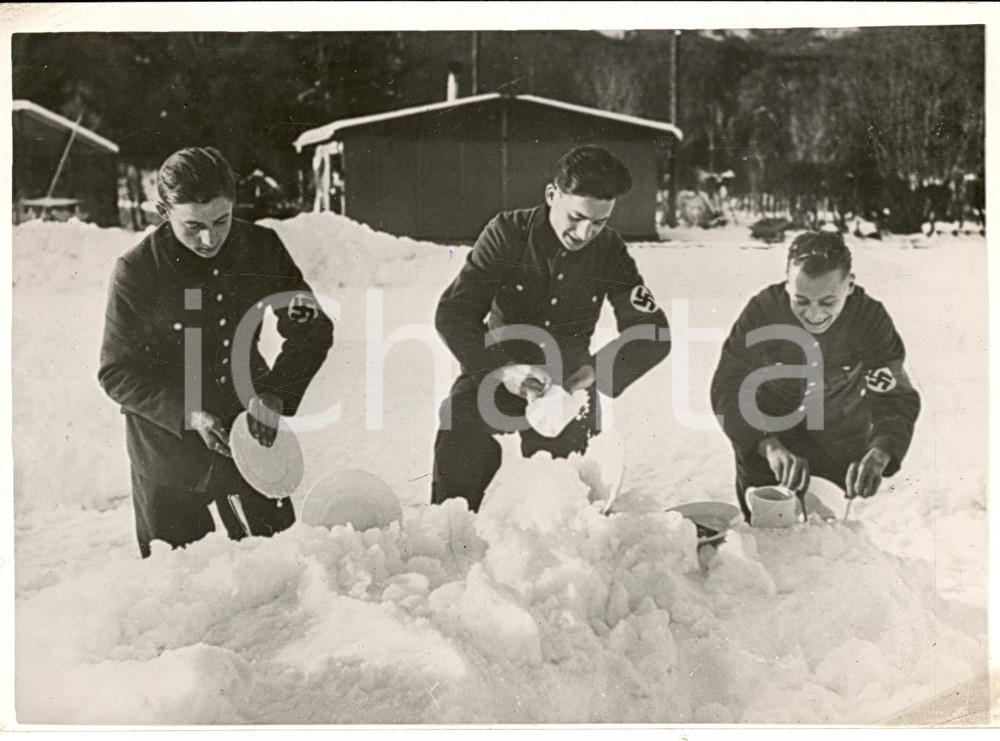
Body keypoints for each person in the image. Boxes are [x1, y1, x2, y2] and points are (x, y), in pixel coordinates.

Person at [99, 147, 334, 558]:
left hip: (248, 429)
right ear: (162, 210)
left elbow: (312, 329)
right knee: (180, 587)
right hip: (166, 449)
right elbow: (117, 371)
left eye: (221, 221)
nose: (209, 239)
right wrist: (190, 413)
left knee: (280, 566)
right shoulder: (136, 271)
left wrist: (277, 392)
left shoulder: (261, 249)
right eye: (192, 226)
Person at [432, 145, 672, 512]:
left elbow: (653, 331)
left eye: (599, 222)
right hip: (498, 367)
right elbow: (453, 313)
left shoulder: (608, 249)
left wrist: (595, 371)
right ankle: (454, 537)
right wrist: (505, 369)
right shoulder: (506, 233)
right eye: (576, 217)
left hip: (568, 382)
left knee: (569, 504)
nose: (585, 232)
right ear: (551, 195)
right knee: (459, 430)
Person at [710, 231, 921, 522]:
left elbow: (894, 396)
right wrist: (766, 444)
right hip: (768, 433)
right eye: (801, 300)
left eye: (827, 302)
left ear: (850, 285)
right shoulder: (763, 311)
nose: (813, 314)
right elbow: (727, 386)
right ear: (787, 284)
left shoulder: (869, 319)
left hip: (837, 436)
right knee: (767, 535)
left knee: (824, 540)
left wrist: (880, 452)